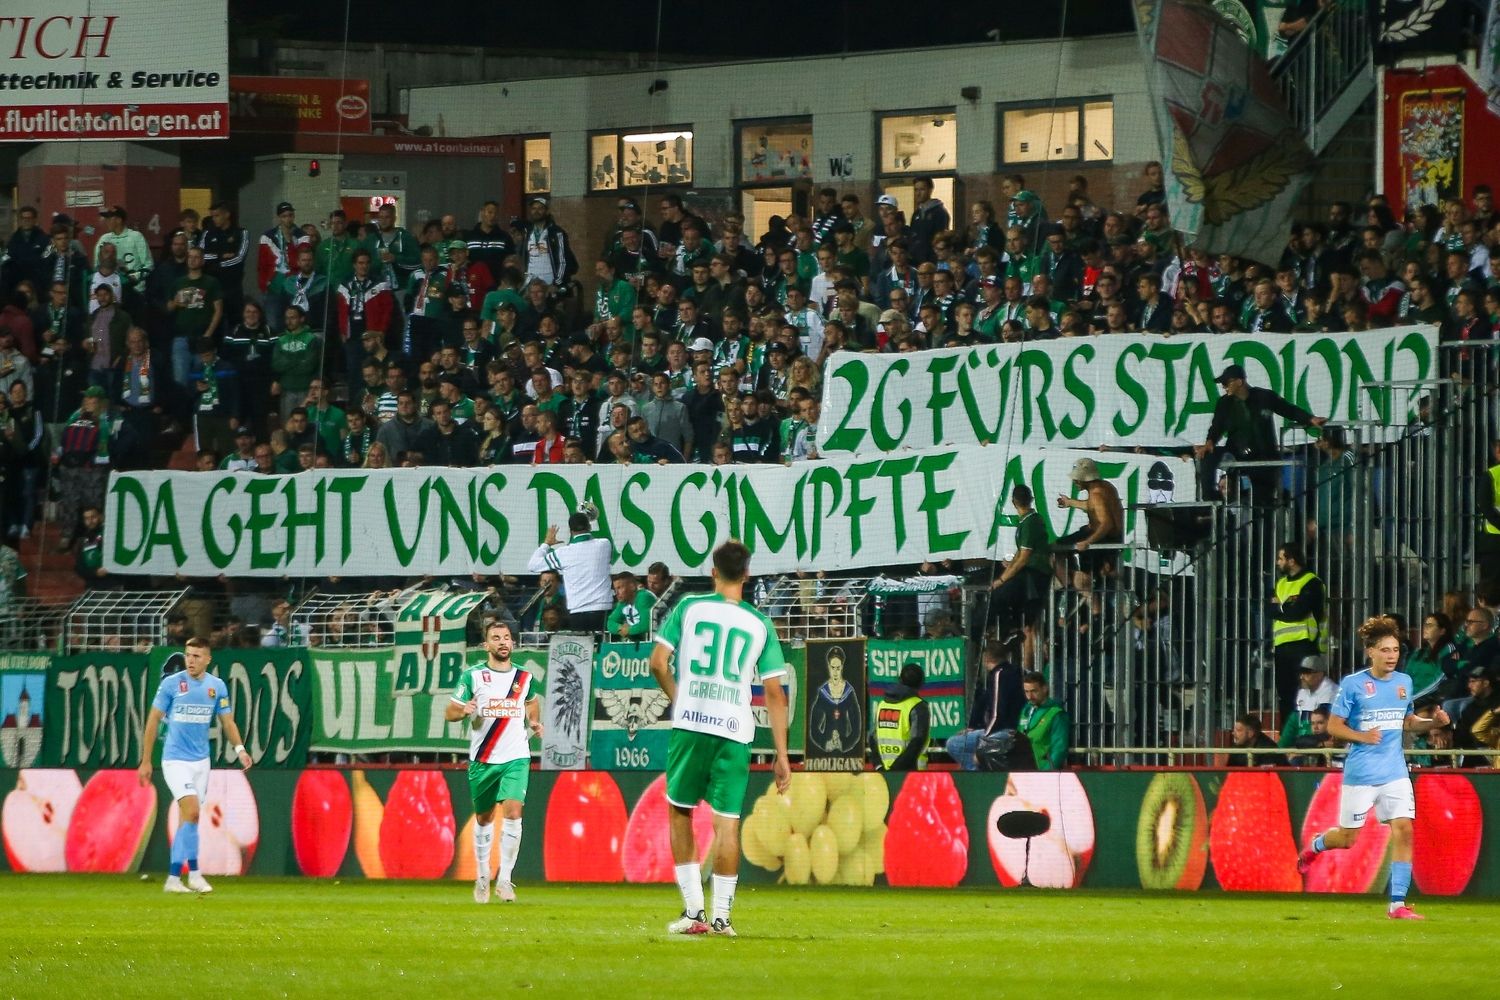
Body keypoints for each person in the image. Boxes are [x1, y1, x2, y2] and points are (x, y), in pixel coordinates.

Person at [649, 540, 791, 936]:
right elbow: (775, 693)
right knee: (727, 824)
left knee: (680, 811)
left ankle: (694, 913)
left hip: (692, 725)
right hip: (734, 729)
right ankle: (723, 918)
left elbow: (658, 663)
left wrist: (682, 699)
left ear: (713, 572)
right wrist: (781, 755)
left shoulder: (689, 608)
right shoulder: (760, 624)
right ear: (747, 575)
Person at [1299, 616, 1452, 919]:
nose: (1392, 655)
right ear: (1370, 651)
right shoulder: (1354, 684)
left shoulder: (1404, 682)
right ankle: (1315, 846)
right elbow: (1333, 726)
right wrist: (1362, 736)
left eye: (1395, 649)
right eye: (1385, 650)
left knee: (1404, 830)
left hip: (1395, 772)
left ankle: (1397, 905)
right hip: (1362, 774)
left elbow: (1408, 721)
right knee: (1347, 839)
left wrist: (1433, 722)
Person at [136, 636, 253, 893]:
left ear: (208, 659)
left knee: (188, 819)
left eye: (197, 656)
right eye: (188, 655)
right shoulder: (171, 684)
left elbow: (227, 722)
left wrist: (240, 750)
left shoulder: (216, 687)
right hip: (175, 760)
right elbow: (153, 720)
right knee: (192, 811)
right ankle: (196, 874)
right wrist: (146, 761)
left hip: (201, 761)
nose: (191, 660)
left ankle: (174, 879)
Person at [445, 619, 541, 904]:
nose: (502, 642)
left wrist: (534, 721)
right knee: (484, 819)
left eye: (507, 637)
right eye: (496, 638)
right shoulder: (472, 676)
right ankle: (483, 875)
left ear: (513, 643)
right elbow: (449, 711)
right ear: (486, 645)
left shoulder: (524, 677)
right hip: (483, 759)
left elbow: (531, 702)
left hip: (516, 756)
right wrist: (465, 710)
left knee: (513, 812)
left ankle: (506, 879)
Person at [1194, 363, 1326, 504]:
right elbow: (1217, 426)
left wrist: (1310, 419)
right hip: (1236, 452)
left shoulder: (1264, 397)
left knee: (1261, 500)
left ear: (1239, 382)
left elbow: (1288, 410)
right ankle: (1210, 499)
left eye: (1226, 383)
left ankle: (1260, 516)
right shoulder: (1224, 403)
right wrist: (1209, 442)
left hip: (1263, 453)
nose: (1224, 387)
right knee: (1208, 456)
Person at [526, 511, 613, 631]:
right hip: (602, 608)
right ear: (589, 527)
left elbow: (533, 565)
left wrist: (546, 544)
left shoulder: (563, 553)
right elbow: (591, 540)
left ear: (570, 531)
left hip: (577, 610)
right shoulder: (604, 545)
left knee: (583, 648)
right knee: (601, 648)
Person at [945, 639, 1025, 770]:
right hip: (1001, 729)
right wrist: (973, 726)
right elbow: (984, 703)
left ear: (986, 658)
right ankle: (979, 771)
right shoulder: (1007, 673)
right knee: (958, 741)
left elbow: (997, 713)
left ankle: (977, 774)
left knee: (955, 744)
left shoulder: (1000, 674)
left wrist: (985, 740)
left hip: (1004, 731)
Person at [1271, 543, 1326, 719]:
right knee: (1285, 695)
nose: (1277, 563)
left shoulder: (1312, 582)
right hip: (1281, 647)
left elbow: (1298, 612)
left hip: (1304, 645)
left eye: (1280, 558)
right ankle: (1289, 737)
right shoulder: (1280, 583)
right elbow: (1269, 610)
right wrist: (1286, 609)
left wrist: (1281, 609)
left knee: (1307, 693)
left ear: (1291, 561)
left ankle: (1307, 733)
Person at [1055, 457, 1123, 594]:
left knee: (1056, 549)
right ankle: (1094, 575)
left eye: (1077, 479)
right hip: (1109, 535)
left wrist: (1088, 541)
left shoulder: (1096, 494)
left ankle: (1070, 585)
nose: (1074, 482)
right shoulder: (1104, 486)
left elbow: (1107, 523)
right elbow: (1092, 507)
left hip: (1103, 535)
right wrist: (1070, 502)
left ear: (1084, 478)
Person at [873, 661, 930, 771]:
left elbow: (872, 738)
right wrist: (896, 770)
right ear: (921, 683)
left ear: (900, 679)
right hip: (912, 773)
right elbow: (917, 741)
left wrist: (879, 766)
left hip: (884, 771)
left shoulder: (882, 704)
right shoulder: (918, 706)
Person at [1277, 654, 1338, 752]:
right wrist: (1279, 750)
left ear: (1320, 674)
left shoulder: (1331, 691)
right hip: (1305, 745)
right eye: (1301, 673)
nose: (1302, 677)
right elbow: (1293, 723)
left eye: (1307, 673)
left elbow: (1324, 731)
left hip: (1324, 747)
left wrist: (1300, 745)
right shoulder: (1303, 692)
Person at [606, 571, 657, 640]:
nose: (616, 593)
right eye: (615, 589)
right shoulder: (623, 602)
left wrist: (628, 630)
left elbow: (647, 625)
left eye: (619, 588)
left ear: (632, 587)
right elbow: (610, 623)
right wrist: (620, 628)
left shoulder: (643, 597)